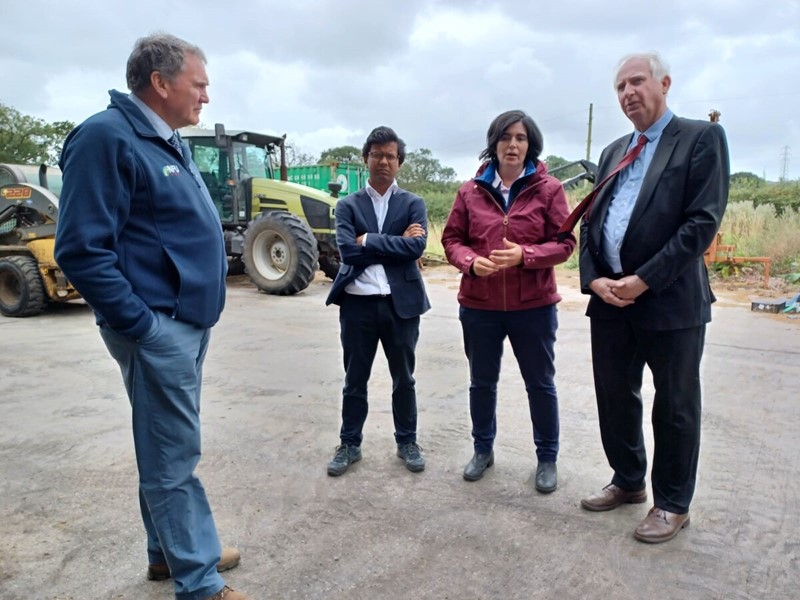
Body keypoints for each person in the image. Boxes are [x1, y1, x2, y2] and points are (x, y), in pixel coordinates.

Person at [55, 34, 249, 600]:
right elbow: (81, 249)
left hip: (185, 321)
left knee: (161, 443)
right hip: (157, 325)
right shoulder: (105, 137)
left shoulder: (161, 137)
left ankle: (168, 554)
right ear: (160, 83)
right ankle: (200, 580)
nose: (206, 96)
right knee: (173, 456)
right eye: (199, 84)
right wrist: (143, 325)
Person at [573, 52, 729, 543]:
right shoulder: (615, 149)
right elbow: (593, 221)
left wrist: (644, 279)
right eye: (620, 87)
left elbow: (700, 223)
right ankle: (628, 481)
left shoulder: (701, 138)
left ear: (663, 83)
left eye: (637, 82)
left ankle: (673, 503)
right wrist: (593, 278)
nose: (627, 93)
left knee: (676, 404)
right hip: (611, 299)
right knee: (615, 396)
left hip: (670, 299)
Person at [441, 110, 575, 492]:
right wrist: (469, 263)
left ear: (530, 144)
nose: (513, 144)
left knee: (540, 384)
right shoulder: (469, 191)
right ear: (494, 143)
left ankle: (547, 458)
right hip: (479, 306)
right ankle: (482, 450)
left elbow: (565, 244)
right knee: (481, 383)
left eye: (520, 138)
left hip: (532, 306)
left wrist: (525, 256)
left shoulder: (549, 189)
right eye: (505, 137)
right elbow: (452, 240)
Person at [325, 126, 431, 477]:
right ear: (365, 159)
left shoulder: (413, 203)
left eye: (390, 156)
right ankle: (350, 444)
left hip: (400, 306)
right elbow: (347, 253)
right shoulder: (347, 205)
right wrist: (394, 244)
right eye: (376, 155)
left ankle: (407, 442)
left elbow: (416, 247)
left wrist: (368, 238)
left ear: (399, 162)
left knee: (405, 378)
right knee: (355, 378)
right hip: (357, 305)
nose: (383, 161)